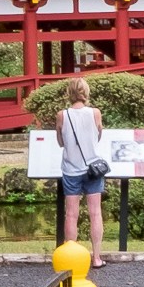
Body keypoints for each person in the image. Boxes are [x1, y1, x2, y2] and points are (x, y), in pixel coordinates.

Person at [55, 76, 111, 257]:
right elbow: (98, 136)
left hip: (71, 169)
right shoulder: (95, 113)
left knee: (71, 214)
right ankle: (96, 257)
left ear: (69, 93)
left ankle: (71, 258)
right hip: (93, 169)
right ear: (86, 92)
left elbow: (60, 142)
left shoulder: (62, 115)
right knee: (95, 213)